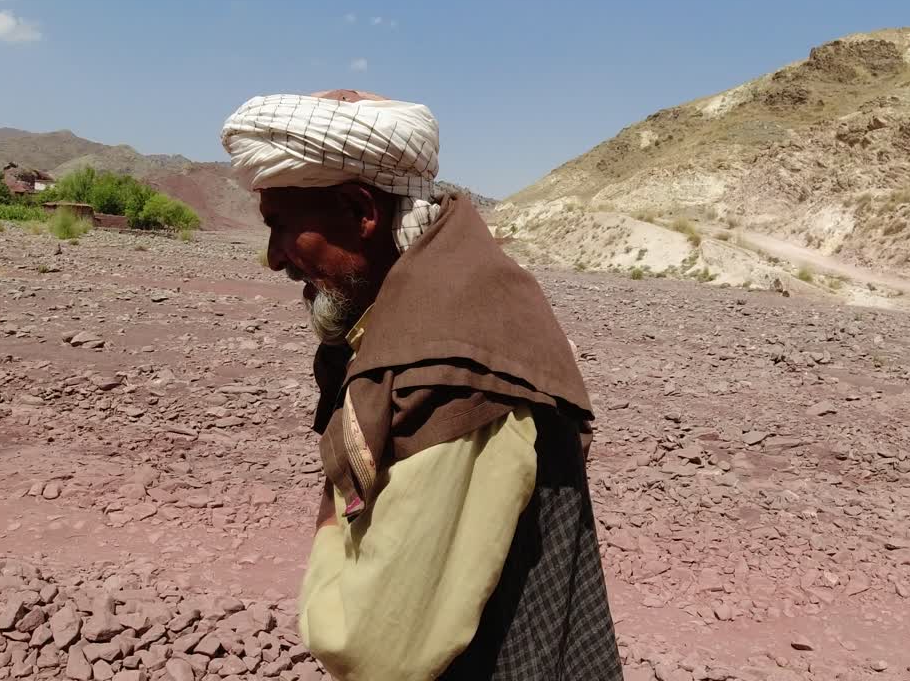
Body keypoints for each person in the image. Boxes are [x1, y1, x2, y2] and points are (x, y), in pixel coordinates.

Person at [221, 90, 622, 681]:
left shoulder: (446, 363)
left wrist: (331, 526)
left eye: (282, 227)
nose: (274, 258)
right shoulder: (451, 294)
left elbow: (374, 648)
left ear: (361, 210)